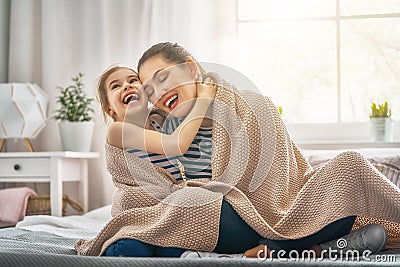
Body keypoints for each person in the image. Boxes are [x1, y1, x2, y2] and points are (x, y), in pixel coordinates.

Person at [75, 43, 400, 259]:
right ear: (107, 107)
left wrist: (209, 97)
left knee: (351, 166)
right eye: (150, 89)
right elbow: (160, 185)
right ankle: (304, 249)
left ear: (191, 69)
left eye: (161, 80)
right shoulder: (150, 128)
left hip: (263, 206)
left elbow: (279, 168)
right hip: (210, 214)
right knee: (135, 241)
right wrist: (203, 99)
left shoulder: (242, 103)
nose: (156, 92)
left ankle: (291, 246)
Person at [96, 65, 216, 257]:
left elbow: (198, 121)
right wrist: (203, 100)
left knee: (179, 248)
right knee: (130, 250)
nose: (127, 86)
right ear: (109, 109)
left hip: (167, 213)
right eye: (116, 86)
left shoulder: (160, 120)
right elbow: (176, 144)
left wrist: (200, 89)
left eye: (133, 80)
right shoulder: (118, 130)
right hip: (137, 211)